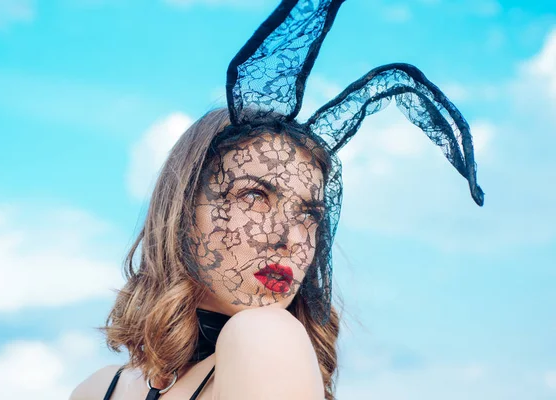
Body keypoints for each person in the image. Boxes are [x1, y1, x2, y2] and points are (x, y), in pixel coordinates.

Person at [70, 1, 484, 399]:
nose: (288, 238)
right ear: (181, 212)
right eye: (254, 196)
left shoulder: (261, 336)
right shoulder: (97, 389)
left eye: (308, 214)